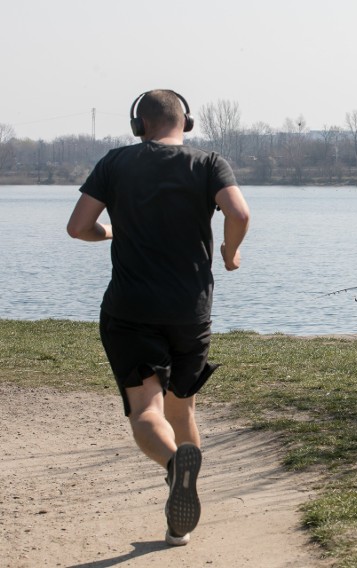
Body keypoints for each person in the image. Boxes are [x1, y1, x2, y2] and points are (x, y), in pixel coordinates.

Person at [66, 89, 250, 546]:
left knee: (147, 408)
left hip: (131, 309)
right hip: (190, 311)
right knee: (181, 406)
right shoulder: (209, 163)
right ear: (184, 123)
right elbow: (239, 212)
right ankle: (178, 520)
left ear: (139, 125)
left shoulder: (114, 163)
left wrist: (110, 231)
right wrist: (230, 252)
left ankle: (173, 468)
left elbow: (77, 228)